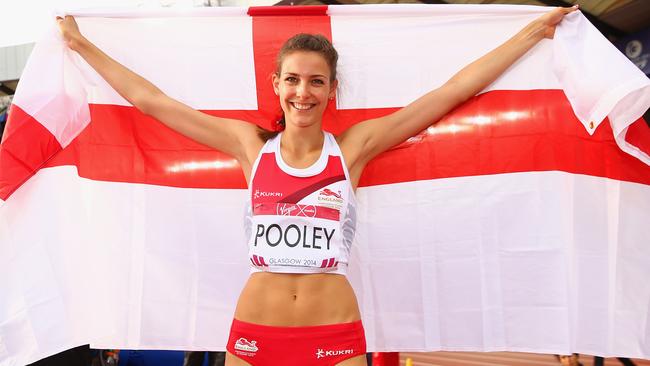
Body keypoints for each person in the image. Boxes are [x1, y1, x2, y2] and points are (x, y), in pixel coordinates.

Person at [57, 5, 578, 365]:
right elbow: (153, 102)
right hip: (256, 331)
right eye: (292, 79)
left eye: (315, 81)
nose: (302, 92)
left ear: (332, 90)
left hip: (333, 333)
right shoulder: (249, 146)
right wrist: (81, 45)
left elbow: (448, 94)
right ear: (276, 85)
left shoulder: (352, 149)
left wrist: (532, 34)